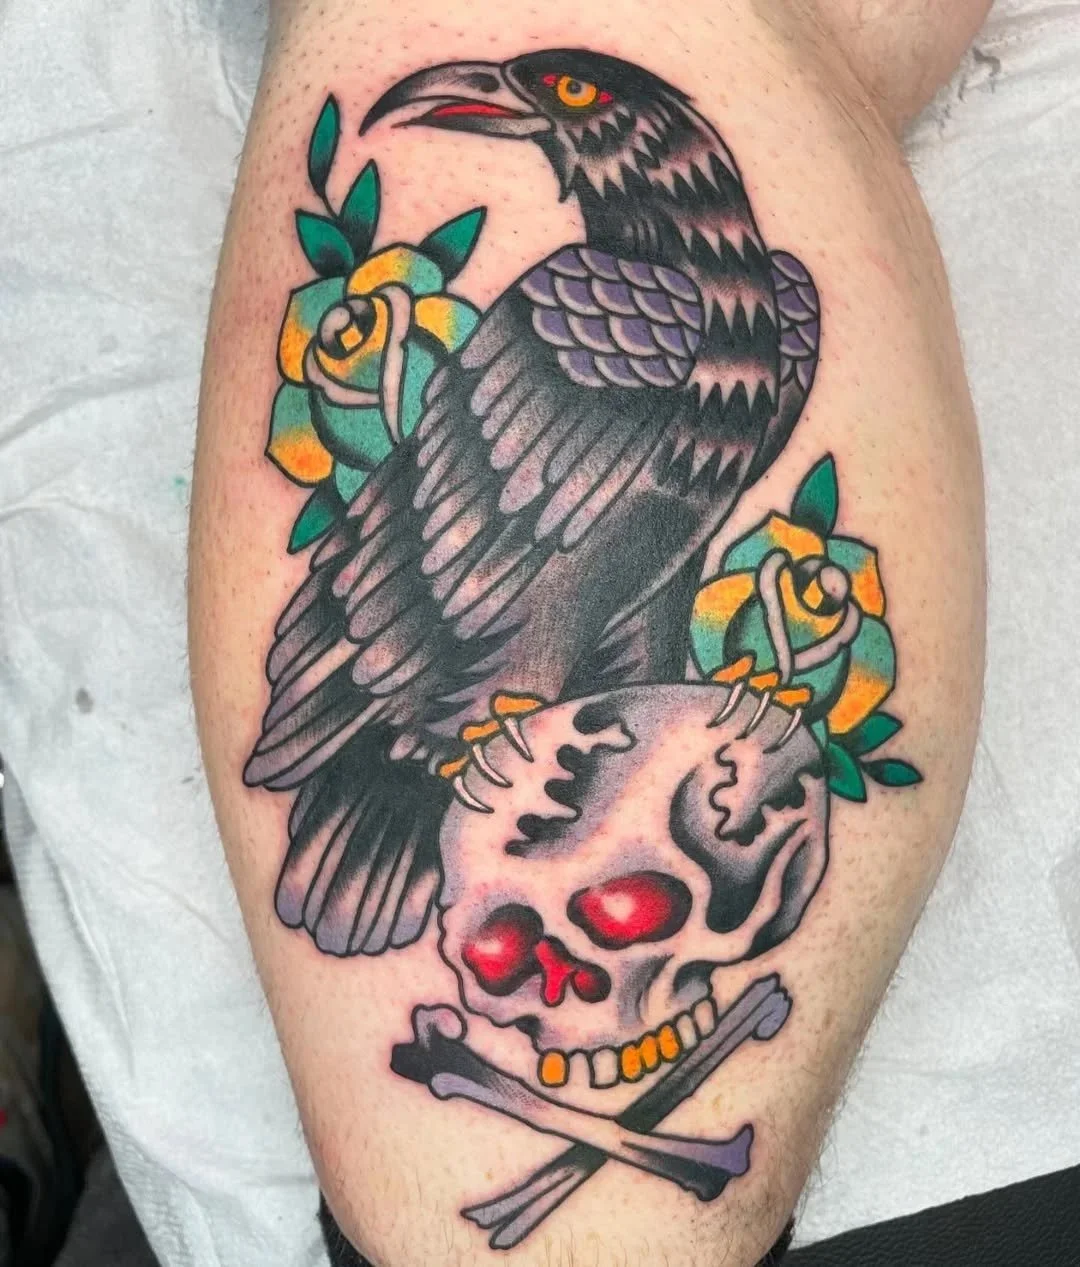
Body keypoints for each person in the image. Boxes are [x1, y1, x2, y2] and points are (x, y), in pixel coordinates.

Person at [190, 2, 989, 1263]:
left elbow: (648, 551)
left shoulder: (763, 315)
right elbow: (468, 540)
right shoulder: (620, 299)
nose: (508, 103)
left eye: (558, 98)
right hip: (448, 671)